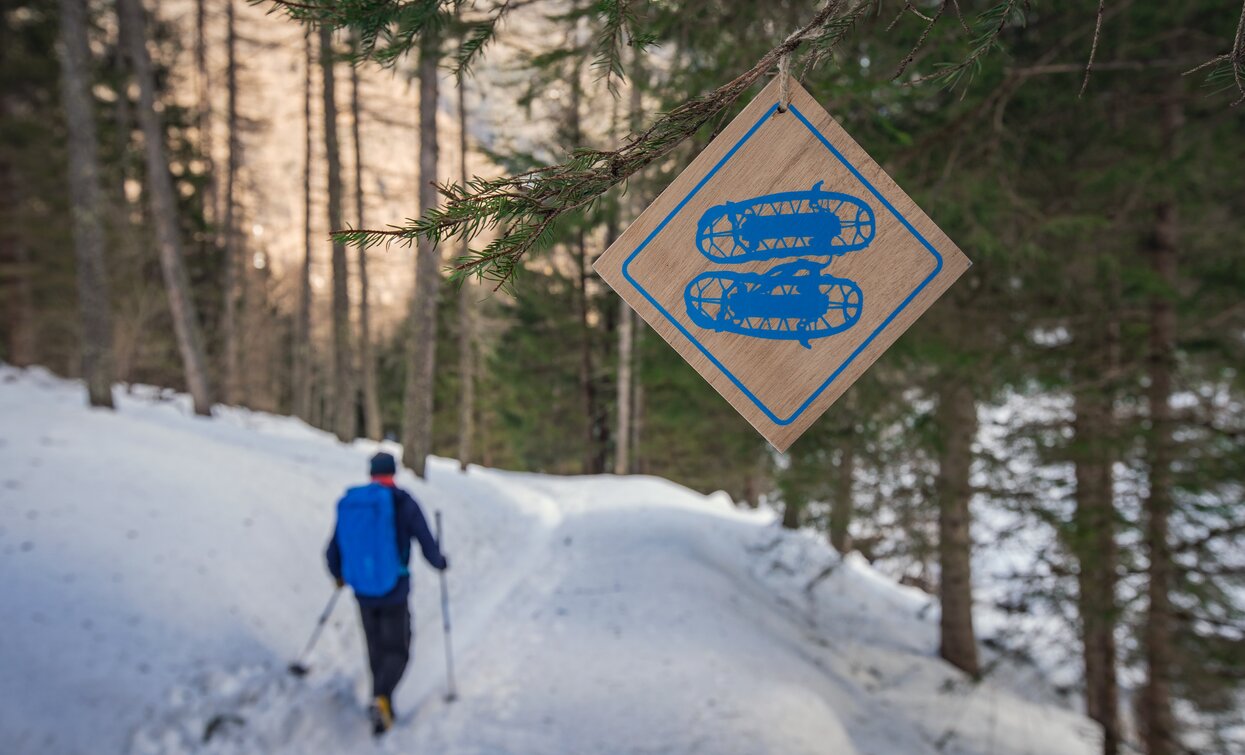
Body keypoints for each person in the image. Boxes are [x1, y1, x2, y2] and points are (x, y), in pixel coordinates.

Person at [326, 451, 448, 736]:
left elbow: (333, 548)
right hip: (394, 588)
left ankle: (382, 705)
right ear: (393, 472)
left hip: (362, 592)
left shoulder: (353, 503)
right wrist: (440, 562)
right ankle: (382, 698)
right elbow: (425, 540)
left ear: (371, 472)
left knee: (376, 649)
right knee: (399, 649)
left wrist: (338, 575)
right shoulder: (403, 501)